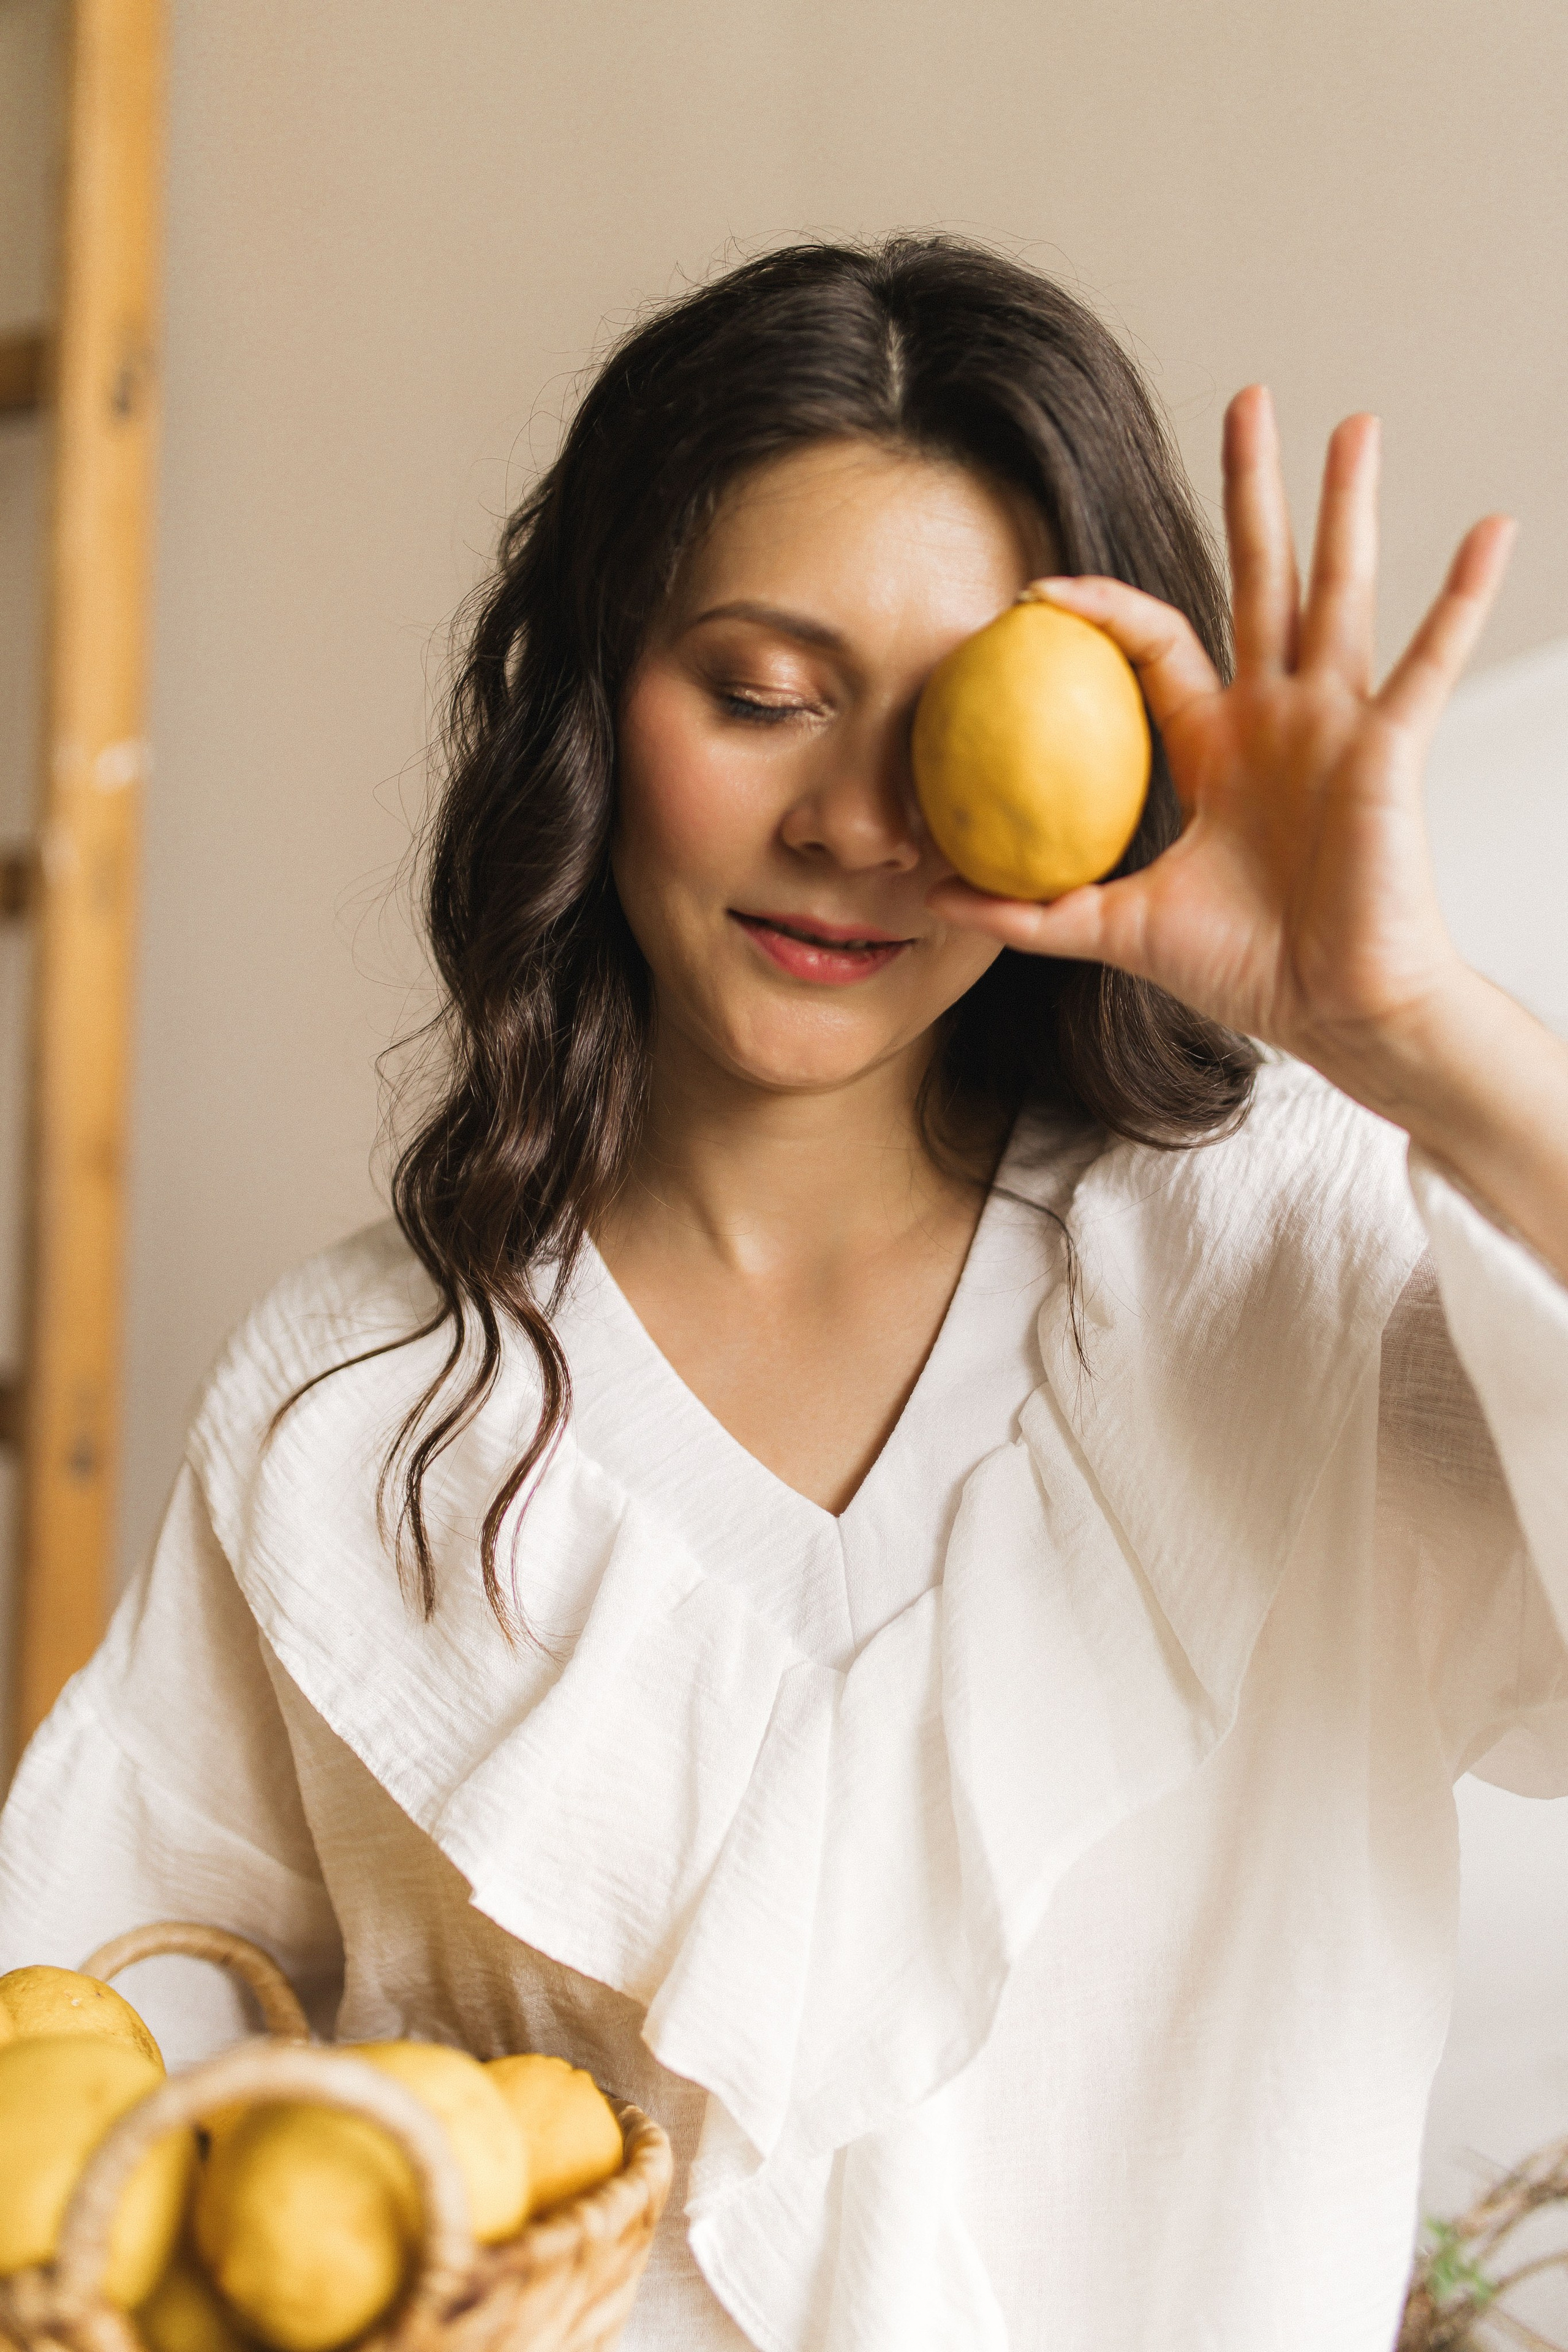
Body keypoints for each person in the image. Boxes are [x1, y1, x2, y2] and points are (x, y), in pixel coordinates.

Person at [2, 236, 1565, 2352]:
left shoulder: (1283, 1261)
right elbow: (94, 2066)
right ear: (592, 694)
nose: (850, 823)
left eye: (948, 734)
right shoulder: (353, 1401)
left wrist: (1410, 1026)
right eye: (760, 695)